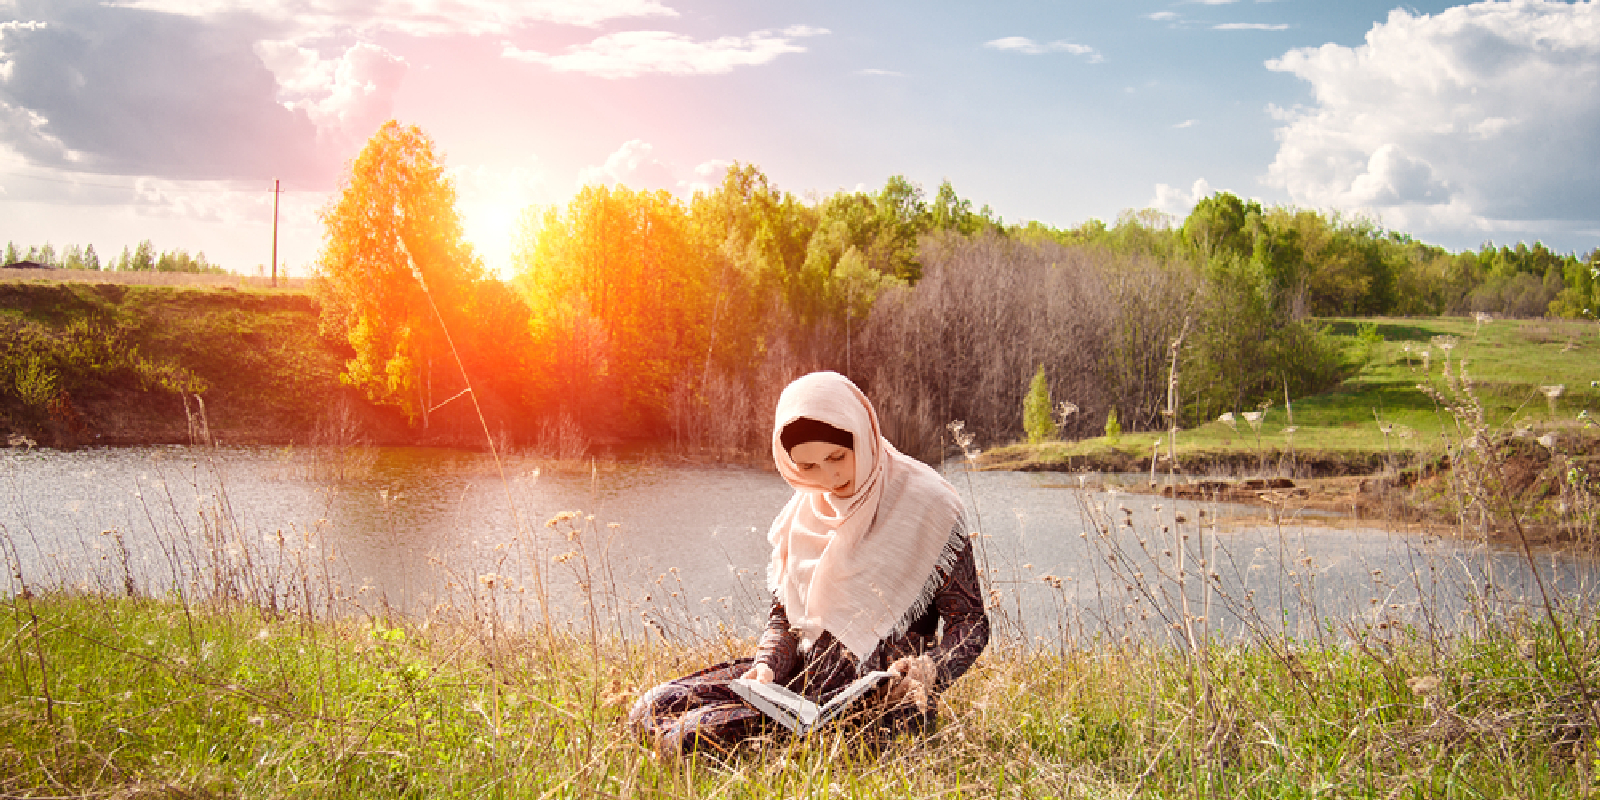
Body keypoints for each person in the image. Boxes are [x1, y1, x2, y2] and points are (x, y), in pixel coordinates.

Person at [628, 371, 989, 755]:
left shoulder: (929, 504)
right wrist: (766, 666)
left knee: (687, 738)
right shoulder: (800, 514)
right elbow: (784, 620)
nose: (829, 478)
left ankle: (808, 748)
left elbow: (971, 623)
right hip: (795, 689)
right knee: (652, 707)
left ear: (861, 437)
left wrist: (928, 670)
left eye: (837, 457)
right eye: (808, 466)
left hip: (878, 706)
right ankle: (792, 742)